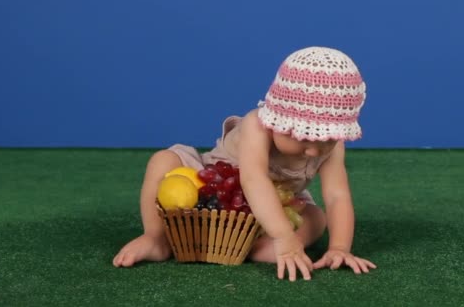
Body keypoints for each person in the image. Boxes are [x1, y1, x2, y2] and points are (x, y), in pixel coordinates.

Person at [113, 46, 377, 281]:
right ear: (278, 118)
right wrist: (283, 236)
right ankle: (157, 238)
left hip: (278, 203)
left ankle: (255, 243)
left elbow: (336, 195)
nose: (312, 150)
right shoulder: (257, 125)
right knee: (163, 161)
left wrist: (340, 247)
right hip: (210, 185)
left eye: (326, 139)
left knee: (316, 217)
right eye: (299, 136)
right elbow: (253, 180)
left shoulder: (331, 146)